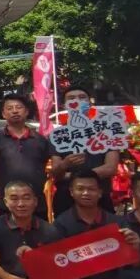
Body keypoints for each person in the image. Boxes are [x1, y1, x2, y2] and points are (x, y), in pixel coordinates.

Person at [50, 87, 120, 215]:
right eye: (71, 98)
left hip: (99, 195)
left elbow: (111, 168)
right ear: (64, 105)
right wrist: (65, 164)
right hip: (66, 198)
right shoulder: (57, 135)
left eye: (82, 98)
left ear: (90, 103)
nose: (77, 101)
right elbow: (56, 173)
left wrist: (74, 176)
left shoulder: (107, 131)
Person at [0, 94, 56, 217]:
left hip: (36, 203)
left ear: (27, 111)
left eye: (19, 107)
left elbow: (51, 167)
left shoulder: (40, 140)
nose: (15, 111)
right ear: (3, 114)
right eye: (10, 108)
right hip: (7, 203)